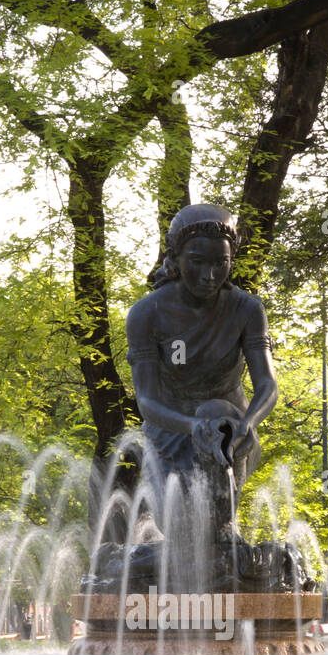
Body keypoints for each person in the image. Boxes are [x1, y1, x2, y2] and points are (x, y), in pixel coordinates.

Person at [124, 203, 278, 541]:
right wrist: (192, 427)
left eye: (220, 264)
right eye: (198, 262)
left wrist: (247, 424)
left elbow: (267, 384)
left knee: (216, 414)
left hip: (228, 431)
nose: (209, 275)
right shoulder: (147, 314)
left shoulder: (247, 309)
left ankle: (226, 526)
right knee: (180, 535)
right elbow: (146, 401)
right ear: (176, 259)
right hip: (171, 428)